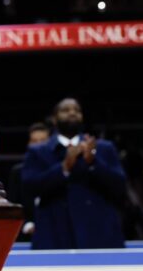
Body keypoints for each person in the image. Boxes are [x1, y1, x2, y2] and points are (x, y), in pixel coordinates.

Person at [21, 98, 126, 249]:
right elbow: (29, 188)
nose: (72, 113)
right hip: (54, 236)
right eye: (66, 110)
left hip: (99, 236)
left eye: (77, 110)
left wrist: (93, 163)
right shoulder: (38, 151)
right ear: (54, 119)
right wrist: (64, 168)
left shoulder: (103, 149)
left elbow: (120, 186)